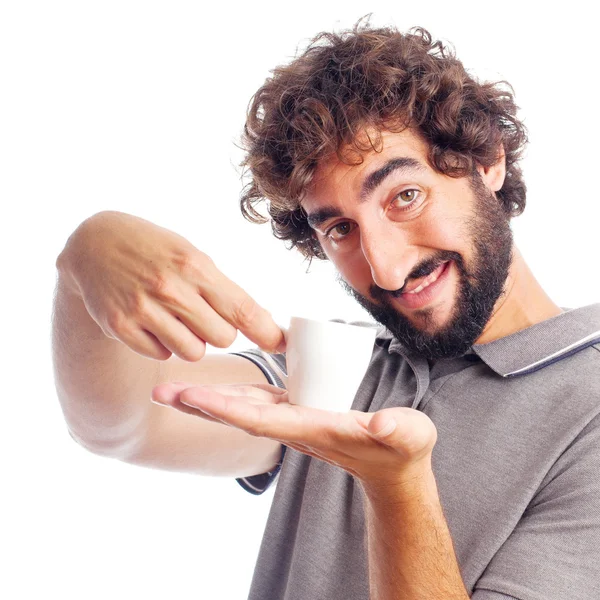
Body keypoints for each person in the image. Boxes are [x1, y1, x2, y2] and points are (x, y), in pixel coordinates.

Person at [52, 20, 600, 600]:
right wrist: (85, 257)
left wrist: (396, 486)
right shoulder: (350, 370)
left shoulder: (587, 406)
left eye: (405, 196)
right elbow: (118, 427)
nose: (385, 268)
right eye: (341, 228)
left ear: (486, 161)